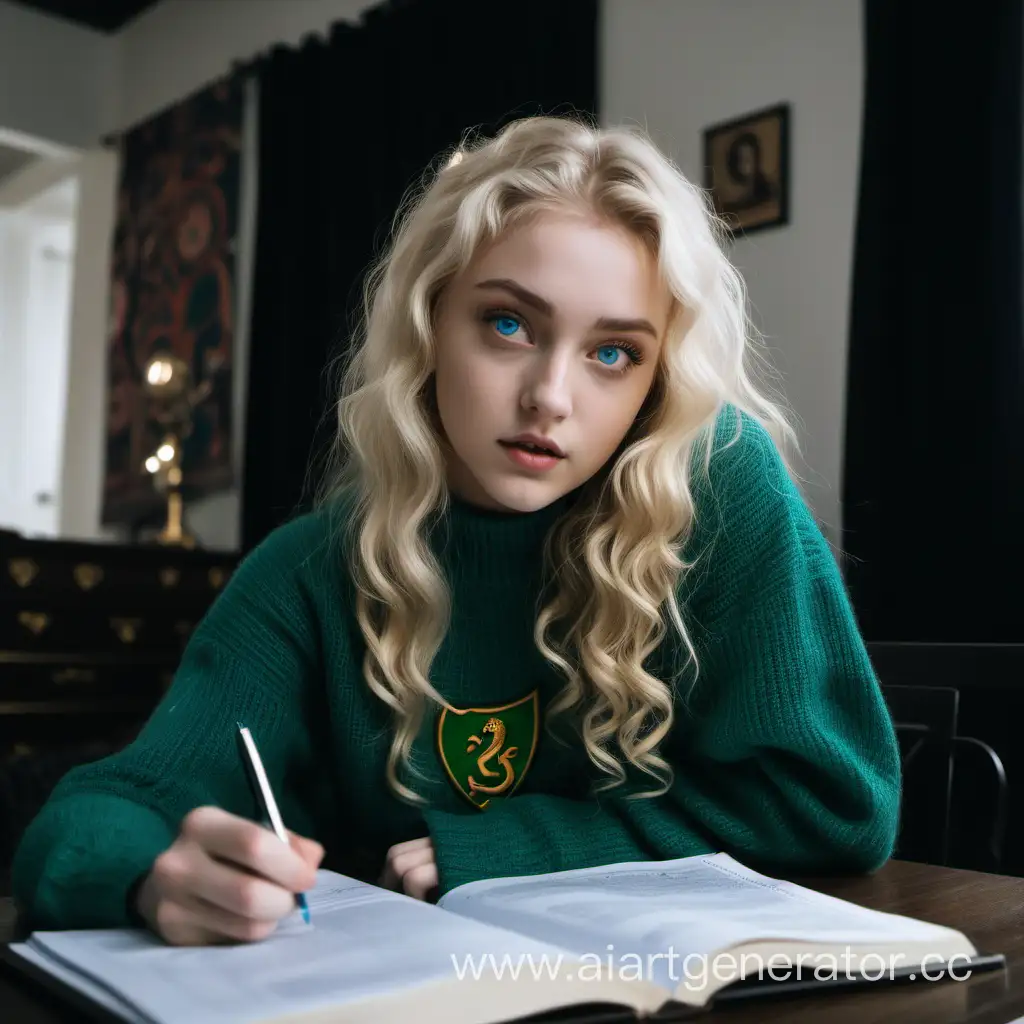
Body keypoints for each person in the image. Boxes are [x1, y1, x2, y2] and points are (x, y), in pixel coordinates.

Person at [12, 116, 901, 946]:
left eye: (613, 353)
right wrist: (149, 878)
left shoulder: (716, 489)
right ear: (430, 321)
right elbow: (98, 812)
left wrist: (524, 845)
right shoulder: (308, 571)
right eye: (508, 323)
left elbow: (835, 804)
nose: (551, 397)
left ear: (656, 378)